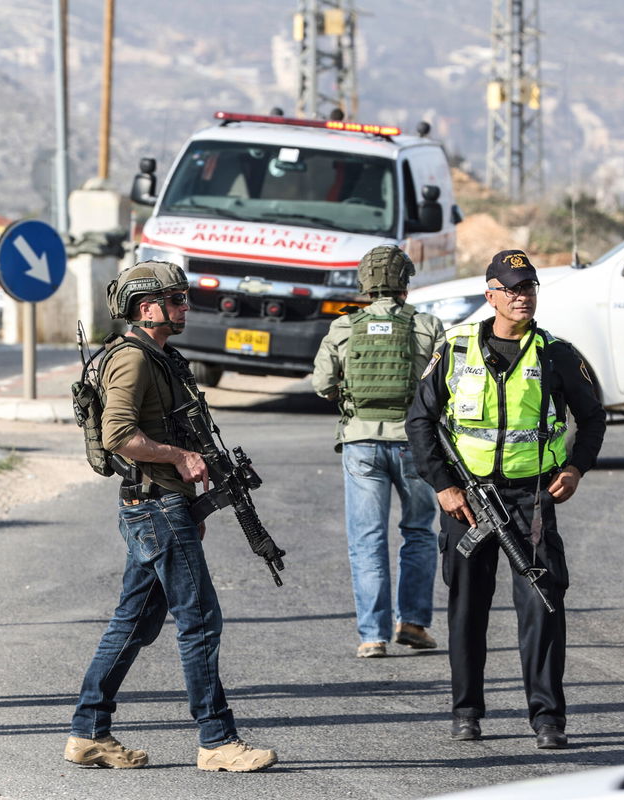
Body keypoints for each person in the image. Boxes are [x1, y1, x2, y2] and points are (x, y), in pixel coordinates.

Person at [64, 261, 278, 773]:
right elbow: (119, 434)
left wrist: (189, 496)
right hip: (156, 506)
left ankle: (88, 733)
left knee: (134, 623)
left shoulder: (161, 357)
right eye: (176, 300)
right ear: (146, 307)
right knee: (200, 619)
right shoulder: (133, 361)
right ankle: (217, 740)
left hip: (162, 506)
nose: (185, 308)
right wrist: (180, 461)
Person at [405, 249, 606, 749]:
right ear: (489, 294)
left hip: (531, 499)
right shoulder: (454, 349)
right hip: (467, 501)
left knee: (542, 606)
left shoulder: (557, 353)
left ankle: (547, 719)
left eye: (530, 288)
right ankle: (467, 712)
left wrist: (576, 466)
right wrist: (444, 485)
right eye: (513, 289)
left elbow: (594, 416)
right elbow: (420, 421)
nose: (523, 297)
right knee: (466, 608)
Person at [312, 244, 445, 659]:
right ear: (406, 281)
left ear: (364, 284)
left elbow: (320, 383)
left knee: (367, 540)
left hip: (360, 444)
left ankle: (373, 635)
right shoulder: (427, 326)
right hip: (414, 445)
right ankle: (414, 624)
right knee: (419, 532)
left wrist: (348, 397)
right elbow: (443, 385)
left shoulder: (344, 328)